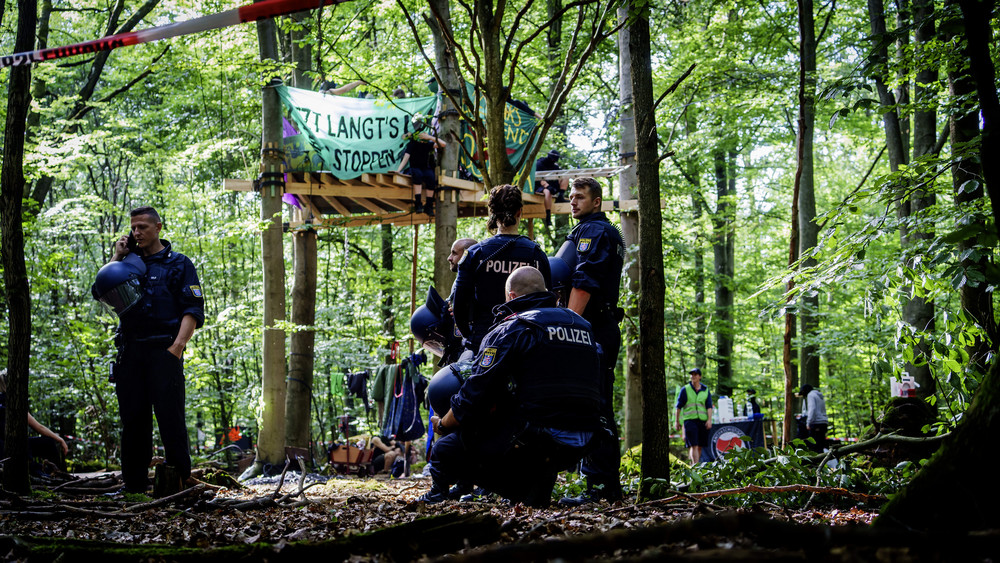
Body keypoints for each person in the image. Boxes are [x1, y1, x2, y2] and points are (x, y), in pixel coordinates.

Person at [420, 266, 603, 507]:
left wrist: (443, 426)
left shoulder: (513, 327)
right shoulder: (583, 326)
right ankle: (533, 491)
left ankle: (439, 494)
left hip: (535, 437)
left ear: (512, 296)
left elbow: (476, 392)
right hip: (586, 440)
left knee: (446, 449)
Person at [101, 206, 204, 494]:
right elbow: (103, 290)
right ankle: (133, 487)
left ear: (158, 227)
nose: (137, 232)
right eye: (134, 227)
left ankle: (179, 483)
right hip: (130, 354)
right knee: (133, 421)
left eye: (143, 227)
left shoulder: (179, 264)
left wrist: (177, 348)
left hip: (164, 351)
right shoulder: (127, 264)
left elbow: (193, 308)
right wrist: (117, 257)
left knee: (171, 419)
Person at [559, 177, 625, 505]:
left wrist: (567, 328)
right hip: (595, 326)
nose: (573, 201)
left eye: (580, 197)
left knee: (596, 407)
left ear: (596, 201)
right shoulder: (590, 230)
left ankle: (601, 488)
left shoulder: (595, 231)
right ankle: (599, 485)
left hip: (593, 327)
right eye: (571, 196)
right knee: (592, 405)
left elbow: (583, 284)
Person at [452, 184, 551, 352]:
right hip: (526, 343)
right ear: (520, 211)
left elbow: (459, 304)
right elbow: (548, 301)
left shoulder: (475, 254)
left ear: (492, 213)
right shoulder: (535, 254)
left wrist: (470, 336)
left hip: (483, 341)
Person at [0, 369, 69, 471]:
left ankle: (54, 473)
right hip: (13, 449)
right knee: (48, 444)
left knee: (47, 443)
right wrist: (59, 439)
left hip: (11, 447)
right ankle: (56, 475)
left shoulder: (8, 400)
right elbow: (38, 427)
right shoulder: (12, 401)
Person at [396, 115, 447, 216]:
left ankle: (428, 206)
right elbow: (406, 158)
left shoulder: (427, 144)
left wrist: (430, 138)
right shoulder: (412, 143)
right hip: (415, 167)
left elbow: (443, 144)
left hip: (425, 168)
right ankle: (418, 203)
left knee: (431, 177)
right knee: (417, 174)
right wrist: (398, 171)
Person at [675, 368, 713, 465]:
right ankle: (695, 467)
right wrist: (677, 421)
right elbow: (678, 407)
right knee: (693, 445)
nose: (693, 376)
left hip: (702, 421)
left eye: (695, 374)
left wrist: (709, 420)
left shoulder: (705, 390)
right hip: (689, 420)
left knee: (699, 446)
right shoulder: (685, 389)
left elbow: (709, 406)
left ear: (699, 377)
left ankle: (694, 465)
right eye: (692, 374)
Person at [534, 150, 569, 227]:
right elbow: (538, 178)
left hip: (552, 185)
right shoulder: (539, 163)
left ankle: (560, 196)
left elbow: (560, 174)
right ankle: (548, 216)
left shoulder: (555, 166)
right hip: (539, 186)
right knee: (547, 192)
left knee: (565, 176)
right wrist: (547, 186)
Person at [797, 384, 828, 452]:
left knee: (814, 446)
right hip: (823, 423)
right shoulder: (819, 396)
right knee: (820, 445)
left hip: (816, 423)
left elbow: (812, 409)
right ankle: (821, 460)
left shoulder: (810, 395)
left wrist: (808, 423)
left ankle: (815, 461)